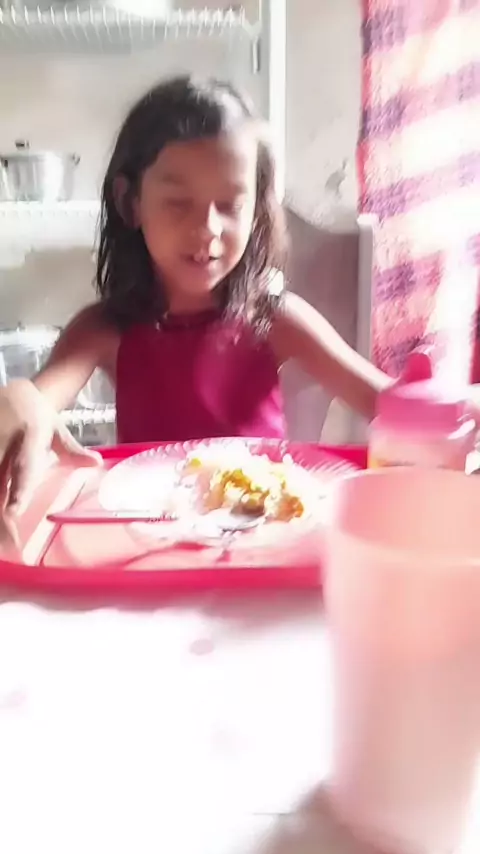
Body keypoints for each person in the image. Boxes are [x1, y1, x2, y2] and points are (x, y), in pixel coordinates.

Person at [0, 74, 391, 541]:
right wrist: (19, 400)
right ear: (130, 203)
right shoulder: (102, 330)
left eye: (229, 204)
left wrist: (442, 408)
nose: (207, 228)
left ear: (257, 208)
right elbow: (34, 402)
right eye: (178, 203)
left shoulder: (276, 319)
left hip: (264, 550)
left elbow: (387, 403)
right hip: (150, 553)